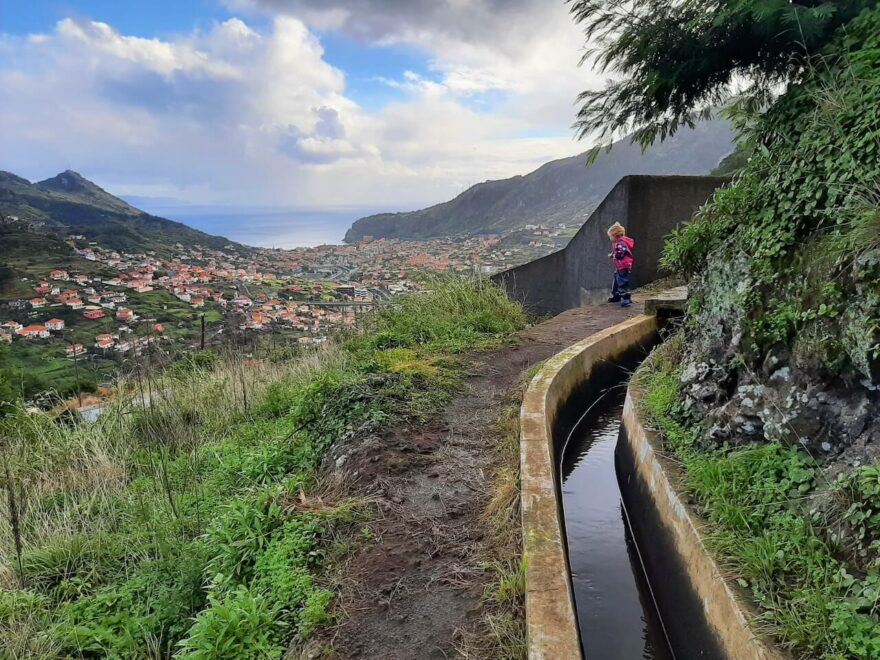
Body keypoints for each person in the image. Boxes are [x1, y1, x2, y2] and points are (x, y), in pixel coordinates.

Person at [607, 222, 634, 307]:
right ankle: (617, 295)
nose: (610, 238)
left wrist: (613, 256)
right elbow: (617, 251)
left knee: (622, 281)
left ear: (615, 236)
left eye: (610, 236)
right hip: (620, 266)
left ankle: (626, 298)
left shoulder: (621, 243)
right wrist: (613, 254)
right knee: (616, 281)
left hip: (623, 265)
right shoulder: (617, 243)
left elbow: (620, 254)